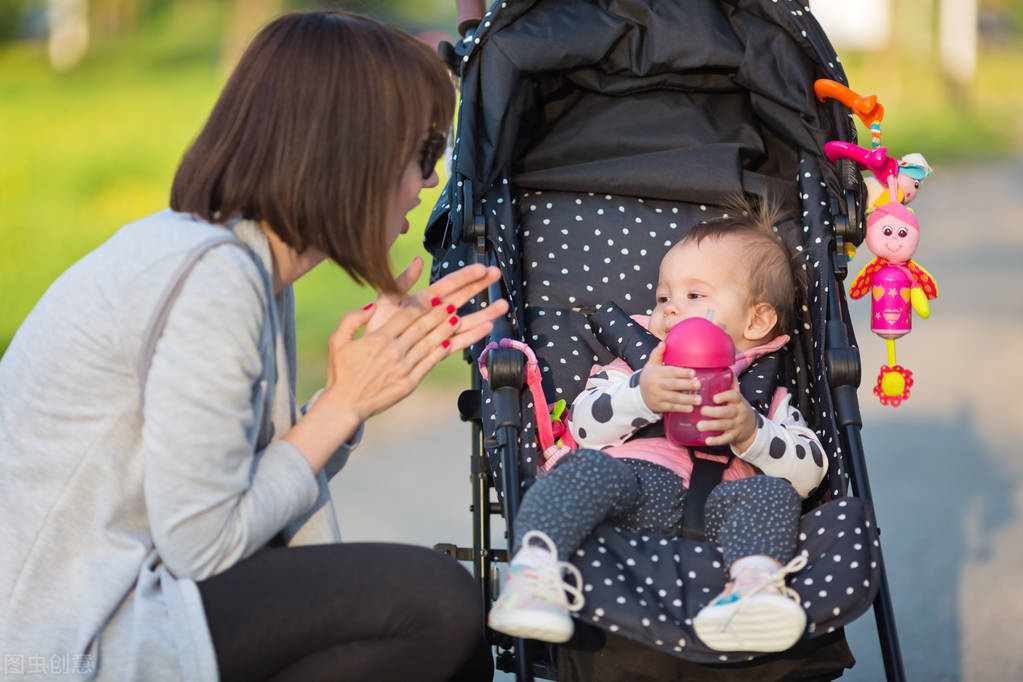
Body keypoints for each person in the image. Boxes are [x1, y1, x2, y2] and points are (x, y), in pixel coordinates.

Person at [0, 11, 508, 682]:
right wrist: (343, 406)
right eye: (425, 152)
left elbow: (239, 495)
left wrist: (344, 403)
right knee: (436, 605)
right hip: (67, 643)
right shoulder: (212, 280)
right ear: (356, 151)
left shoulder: (241, 263)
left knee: (449, 629)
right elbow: (207, 547)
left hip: (129, 599)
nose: (431, 181)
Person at [487, 198, 828, 653]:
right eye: (663, 298)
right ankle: (534, 574)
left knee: (773, 494)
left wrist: (752, 432)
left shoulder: (768, 398)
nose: (669, 310)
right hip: (634, 489)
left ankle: (751, 589)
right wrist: (641, 395)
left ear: (757, 320)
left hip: (723, 514)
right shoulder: (633, 368)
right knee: (582, 470)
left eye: (694, 296)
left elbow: (810, 475)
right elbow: (583, 427)